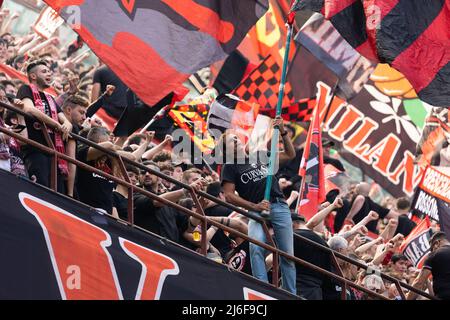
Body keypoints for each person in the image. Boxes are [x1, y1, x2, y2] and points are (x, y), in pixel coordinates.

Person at [221, 117, 297, 294]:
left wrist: (283, 132)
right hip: (256, 211)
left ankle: (289, 293)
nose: (237, 141)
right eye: (232, 141)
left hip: (278, 205)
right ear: (226, 150)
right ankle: (261, 287)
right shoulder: (230, 166)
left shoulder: (258, 155)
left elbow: (290, 154)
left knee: (287, 254)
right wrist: (253, 206)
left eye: (237, 139)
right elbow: (229, 195)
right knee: (255, 247)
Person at [16, 60, 72, 192]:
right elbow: (29, 109)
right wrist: (56, 124)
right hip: (35, 149)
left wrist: (66, 126)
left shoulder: (50, 98)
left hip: (55, 154)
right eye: (44, 71)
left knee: (58, 195)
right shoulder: (25, 89)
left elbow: (66, 121)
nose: (49, 74)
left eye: (49, 72)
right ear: (33, 76)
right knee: (40, 190)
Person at [133, 162, 205, 245]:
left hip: (170, 251)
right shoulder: (135, 195)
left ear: (159, 178)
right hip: (148, 246)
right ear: (139, 178)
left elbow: (189, 227)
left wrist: (200, 206)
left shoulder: (172, 202)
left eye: (151, 171)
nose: (147, 174)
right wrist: (186, 190)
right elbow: (156, 201)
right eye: (143, 172)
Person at [292, 214, 333, 299]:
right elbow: (328, 275)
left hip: (296, 287)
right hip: (315, 291)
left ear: (292, 224)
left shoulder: (292, 236)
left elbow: (270, 260)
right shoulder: (324, 243)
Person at [408, 231, 450, 300]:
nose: (432, 251)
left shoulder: (435, 254)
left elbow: (419, 282)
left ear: (437, 243)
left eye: (431, 249)